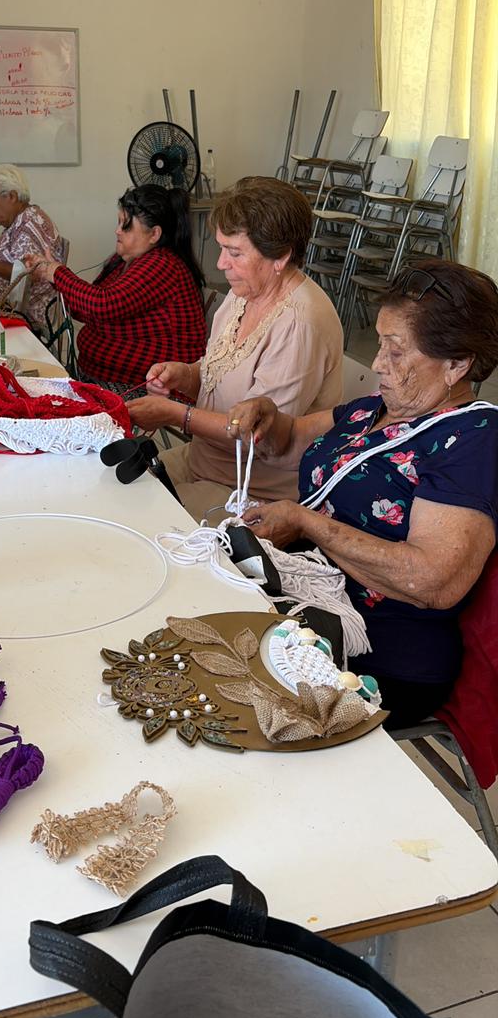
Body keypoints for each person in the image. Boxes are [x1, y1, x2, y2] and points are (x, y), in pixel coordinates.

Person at [225, 258, 498, 728]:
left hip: (380, 650)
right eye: (379, 342)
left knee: (223, 693)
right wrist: (268, 415)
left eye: (395, 350)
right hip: (302, 599)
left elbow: (432, 581)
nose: (376, 363)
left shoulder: (474, 438)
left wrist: (308, 522)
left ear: (457, 363)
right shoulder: (375, 408)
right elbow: (288, 441)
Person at [127, 178, 343, 520]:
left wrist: (174, 414)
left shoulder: (301, 322)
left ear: (280, 256)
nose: (220, 264)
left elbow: (262, 434)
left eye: (235, 253)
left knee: (137, 518)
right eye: (222, 249)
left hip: (251, 490)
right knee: (110, 487)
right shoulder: (244, 293)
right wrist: (185, 375)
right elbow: (221, 374)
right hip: (204, 461)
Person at [25, 185, 207, 392]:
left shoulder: (162, 264)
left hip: (138, 388)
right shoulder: (125, 261)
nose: (117, 230)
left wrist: (57, 273)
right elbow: (84, 310)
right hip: (107, 380)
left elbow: (103, 305)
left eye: (126, 225)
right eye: (119, 222)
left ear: (154, 234)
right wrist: (51, 275)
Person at [0, 165, 64, 329]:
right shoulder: (21, 219)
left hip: (23, 313)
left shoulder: (29, 225)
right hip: (2, 302)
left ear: (12, 196)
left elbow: (28, 274)